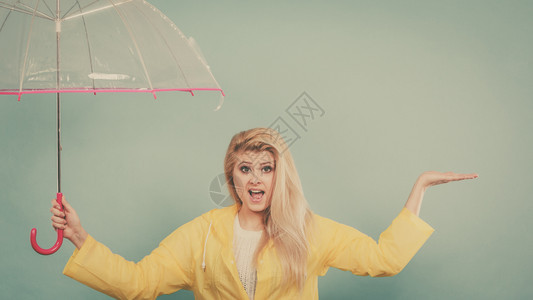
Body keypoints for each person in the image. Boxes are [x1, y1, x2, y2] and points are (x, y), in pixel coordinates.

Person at [50, 127, 478, 299]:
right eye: (245, 169)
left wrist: (419, 187)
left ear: (280, 175)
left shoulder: (309, 232)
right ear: (232, 178)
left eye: (267, 169)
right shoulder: (201, 233)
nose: (256, 180)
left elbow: (386, 260)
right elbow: (137, 283)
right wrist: (81, 239)